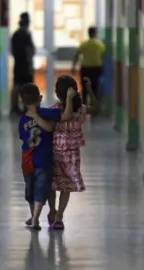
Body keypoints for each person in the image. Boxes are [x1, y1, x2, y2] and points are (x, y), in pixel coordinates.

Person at [18, 83, 76, 230]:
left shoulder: (22, 121)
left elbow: (23, 138)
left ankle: (33, 217)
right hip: (43, 160)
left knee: (30, 190)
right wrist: (69, 98)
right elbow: (66, 116)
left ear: (22, 102)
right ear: (40, 98)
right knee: (41, 190)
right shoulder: (44, 113)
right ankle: (36, 219)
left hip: (27, 161)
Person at [47, 76, 98, 230]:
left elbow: (95, 107)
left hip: (66, 154)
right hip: (59, 153)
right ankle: (53, 211)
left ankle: (59, 215)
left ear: (57, 93)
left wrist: (89, 90)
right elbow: (66, 115)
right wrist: (72, 98)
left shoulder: (77, 109)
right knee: (55, 184)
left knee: (64, 186)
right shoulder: (55, 110)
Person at [71, 26, 106, 106]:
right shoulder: (99, 45)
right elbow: (103, 56)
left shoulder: (84, 44)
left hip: (85, 69)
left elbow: (77, 55)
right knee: (95, 87)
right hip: (97, 68)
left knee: (84, 88)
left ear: (88, 33)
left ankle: (84, 106)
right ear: (96, 33)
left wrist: (73, 67)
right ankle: (94, 107)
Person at [11, 13, 35, 115]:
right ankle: (26, 107)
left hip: (17, 64)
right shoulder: (26, 35)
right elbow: (29, 51)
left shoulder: (15, 35)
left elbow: (13, 50)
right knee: (27, 88)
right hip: (25, 65)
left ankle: (14, 108)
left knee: (16, 86)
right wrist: (30, 66)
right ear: (27, 23)